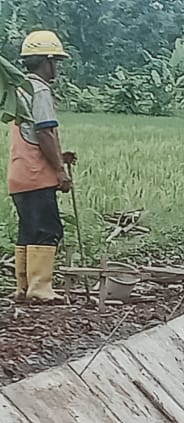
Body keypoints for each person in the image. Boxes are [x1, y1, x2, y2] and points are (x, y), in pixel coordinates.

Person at [9, 30, 72, 303]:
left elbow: (31, 135)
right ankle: (40, 289)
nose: (55, 67)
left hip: (19, 173)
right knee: (47, 229)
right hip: (38, 174)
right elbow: (44, 132)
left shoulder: (18, 88)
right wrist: (60, 169)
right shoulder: (40, 90)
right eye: (55, 61)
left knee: (28, 231)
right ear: (46, 61)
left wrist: (61, 154)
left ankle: (23, 288)